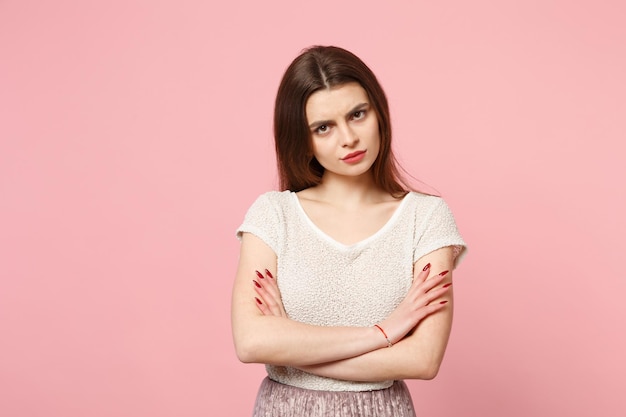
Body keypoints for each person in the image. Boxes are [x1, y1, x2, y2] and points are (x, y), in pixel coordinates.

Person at [231, 45, 467, 417]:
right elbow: (251, 342)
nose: (349, 138)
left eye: (357, 114)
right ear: (302, 138)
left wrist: (293, 350)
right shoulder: (273, 214)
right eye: (323, 127)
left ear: (378, 111)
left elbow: (423, 359)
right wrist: (383, 333)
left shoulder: (426, 217)